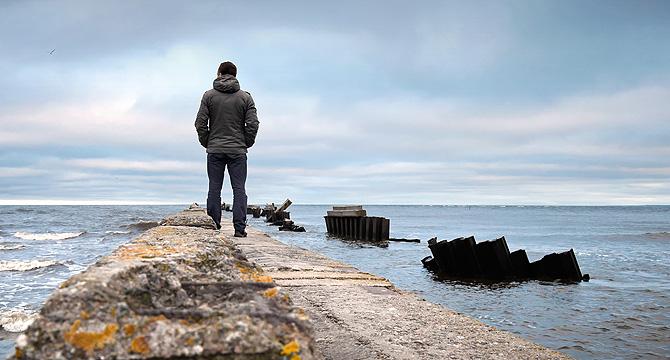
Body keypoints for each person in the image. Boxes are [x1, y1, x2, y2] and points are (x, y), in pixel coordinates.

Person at [194, 61, 259, 237]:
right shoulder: (245, 97)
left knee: (214, 188)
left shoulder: (208, 96)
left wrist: (207, 141)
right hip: (238, 151)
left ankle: (214, 225)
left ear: (219, 73)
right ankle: (239, 229)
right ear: (235, 75)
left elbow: (200, 123)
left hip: (215, 150)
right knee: (239, 189)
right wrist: (246, 142)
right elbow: (253, 123)